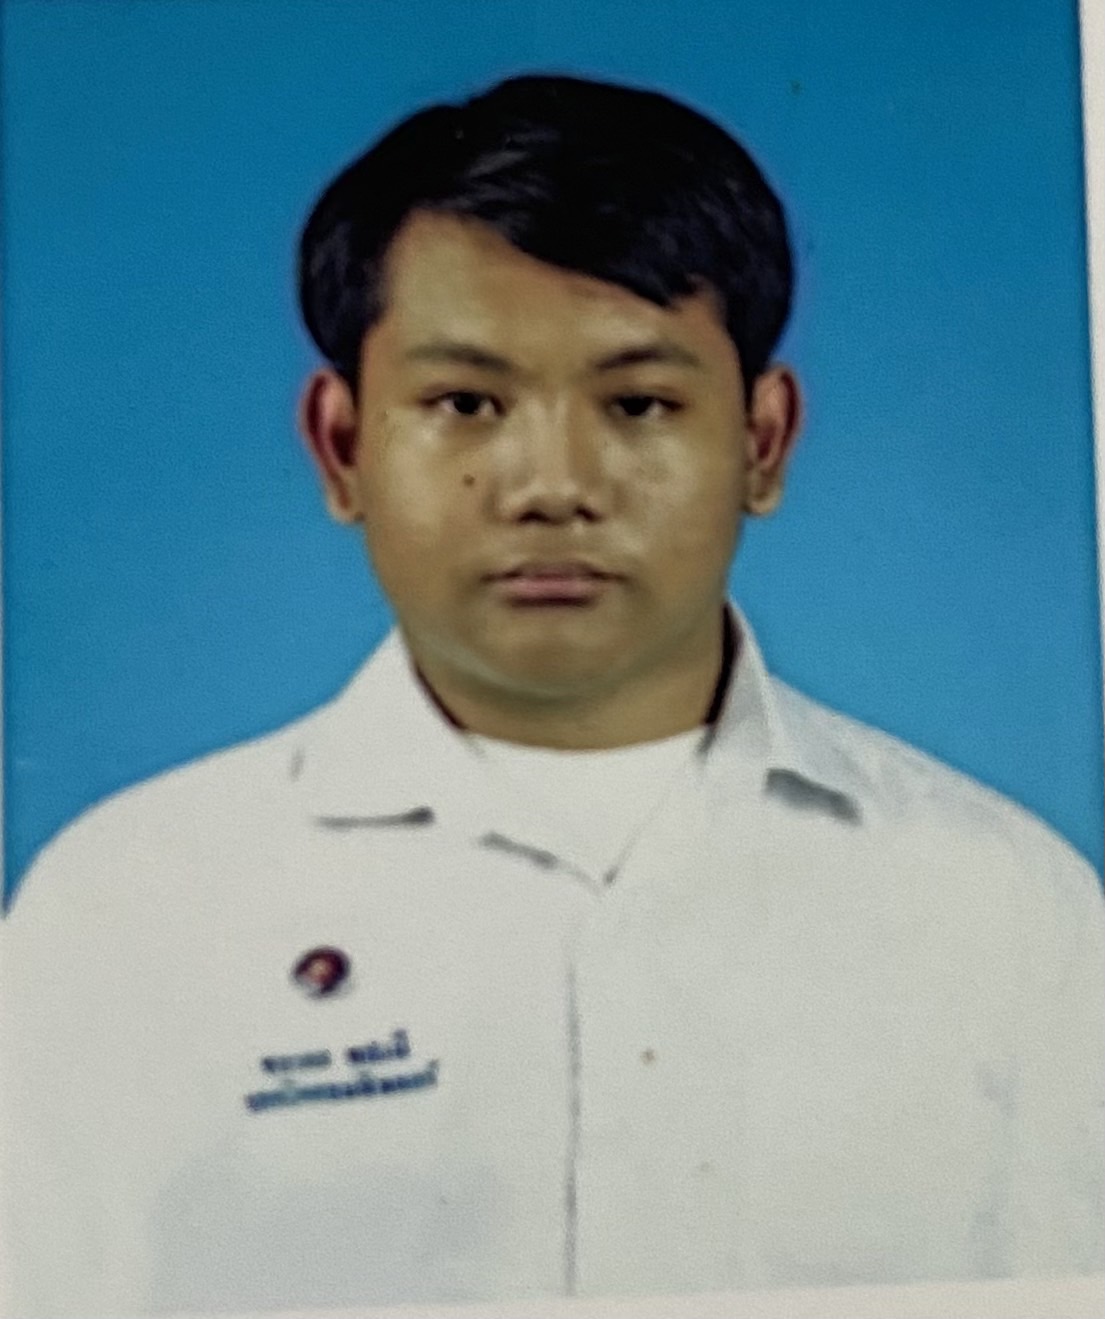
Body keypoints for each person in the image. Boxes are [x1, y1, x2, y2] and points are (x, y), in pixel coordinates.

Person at [1, 72, 1102, 1318]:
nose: (553, 484)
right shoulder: (123, 912)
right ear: (343, 446)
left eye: (638, 403)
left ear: (762, 441)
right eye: (465, 403)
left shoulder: (1007, 909)